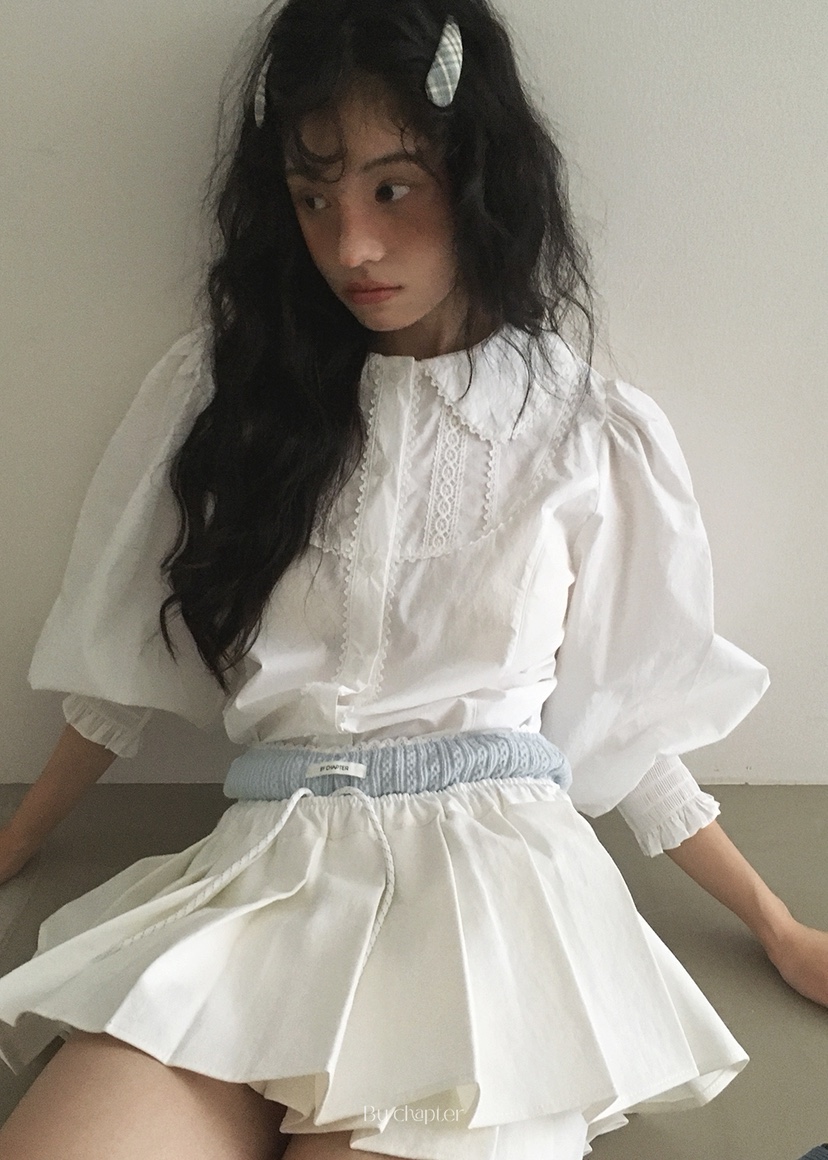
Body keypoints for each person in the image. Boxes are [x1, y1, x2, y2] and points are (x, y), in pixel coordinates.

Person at [0, 1, 825, 1157]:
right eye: (313, 197)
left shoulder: (585, 429)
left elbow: (624, 725)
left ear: (481, 177)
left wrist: (779, 924)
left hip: (486, 899)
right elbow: (122, 658)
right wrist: (18, 839)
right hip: (264, 876)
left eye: (394, 187)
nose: (351, 247)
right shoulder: (227, 400)